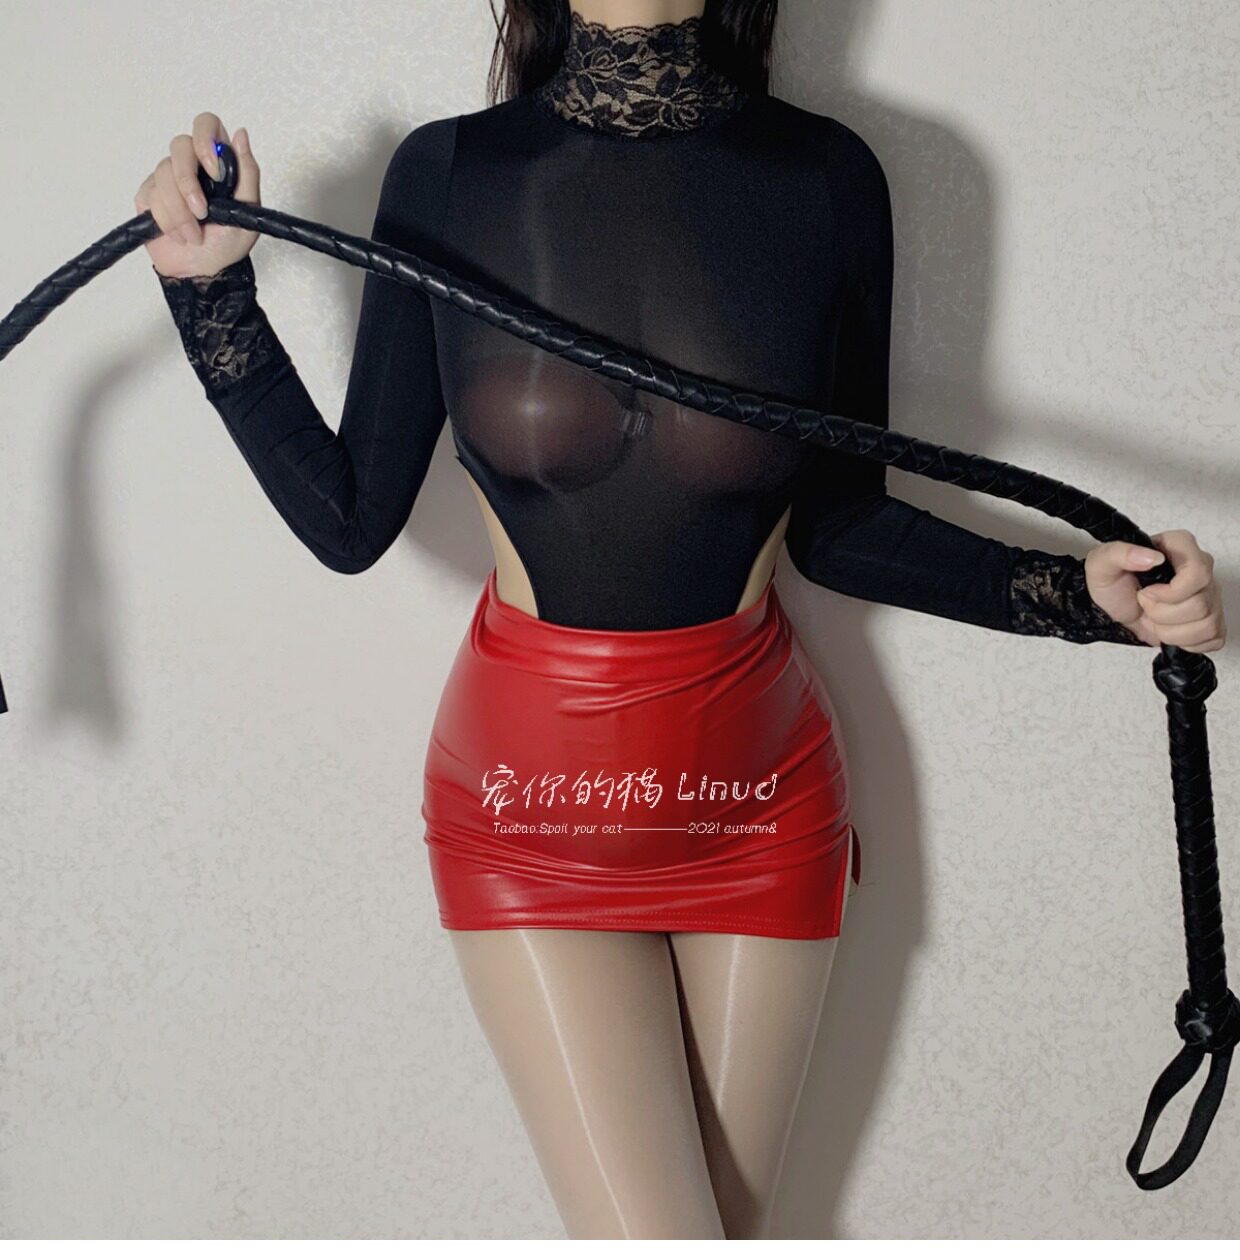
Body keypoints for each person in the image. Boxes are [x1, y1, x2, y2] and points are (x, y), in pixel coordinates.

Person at [134, 0, 1225, 1238]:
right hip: (529, 817)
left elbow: (839, 527)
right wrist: (211, 297)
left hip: (758, 805)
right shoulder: (446, 174)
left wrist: (1077, 595)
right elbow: (348, 519)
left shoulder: (827, 178)